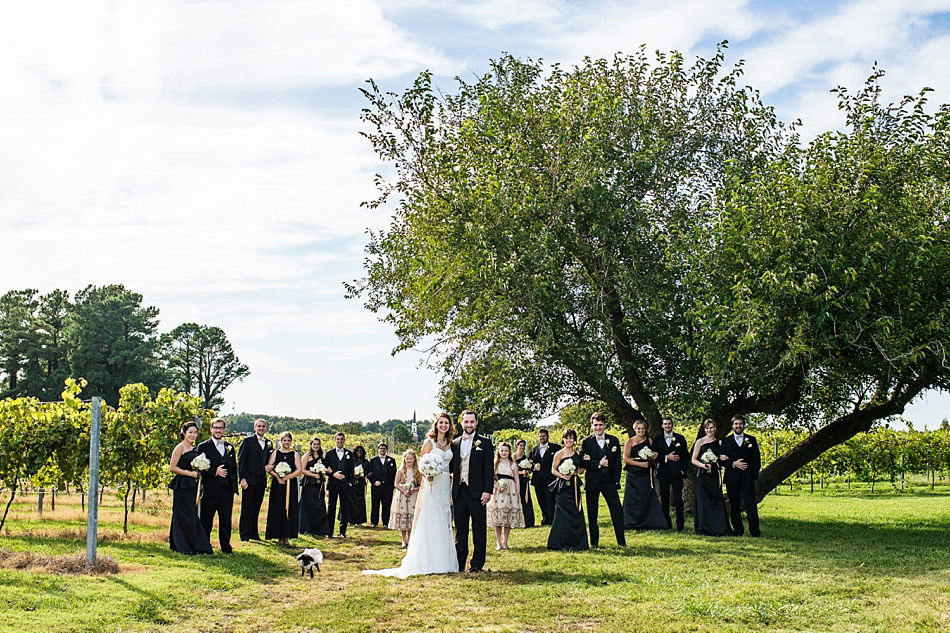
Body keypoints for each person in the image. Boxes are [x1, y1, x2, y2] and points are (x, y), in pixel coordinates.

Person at [364, 413, 458, 577]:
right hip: (431, 483)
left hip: (444, 483)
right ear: (436, 425)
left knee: (443, 517)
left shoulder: (450, 443)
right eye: (441, 422)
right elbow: (421, 464)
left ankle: (443, 559)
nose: (443, 425)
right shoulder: (429, 442)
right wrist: (428, 473)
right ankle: (427, 559)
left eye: (446, 423)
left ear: (450, 426)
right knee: (430, 517)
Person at [451, 409, 494, 572]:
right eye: (466, 421)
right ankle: (460, 563)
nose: (469, 425)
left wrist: (487, 490)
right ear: (461, 422)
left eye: (472, 422)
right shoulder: (454, 443)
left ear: (476, 423)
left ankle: (476, 564)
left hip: (477, 492)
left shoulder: (485, 443)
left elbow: (489, 469)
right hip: (459, 492)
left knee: (479, 530)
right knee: (460, 530)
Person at [580, 413, 626, 547]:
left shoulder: (613, 440)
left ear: (605, 425)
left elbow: (617, 462)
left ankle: (621, 542)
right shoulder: (586, 442)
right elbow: (583, 462)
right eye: (595, 425)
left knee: (617, 510)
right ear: (591, 426)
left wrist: (615, 480)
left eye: (600, 425)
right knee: (592, 513)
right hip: (592, 481)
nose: (598, 428)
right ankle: (594, 543)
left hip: (609, 481)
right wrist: (598, 463)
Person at [168, 421, 212, 555]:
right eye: (190, 432)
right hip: (182, 484)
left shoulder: (195, 450)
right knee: (182, 513)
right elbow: (172, 467)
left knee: (191, 514)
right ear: (184, 433)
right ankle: (181, 544)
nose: (193, 435)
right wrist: (189, 473)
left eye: (195, 432)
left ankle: (194, 544)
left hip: (193, 485)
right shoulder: (179, 448)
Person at [196, 417, 239, 553]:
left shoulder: (229, 447)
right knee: (206, 519)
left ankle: (226, 547)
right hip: (210, 489)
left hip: (227, 490)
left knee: (226, 520)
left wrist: (234, 486)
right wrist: (215, 471)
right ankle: (204, 546)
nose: (218, 430)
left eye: (220, 428)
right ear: (211, 429)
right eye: (216, 428)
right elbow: (200, 466)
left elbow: (233, 468)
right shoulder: (203, 446)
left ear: (223, 430)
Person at [621, 419, 669, 530]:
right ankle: (631, 522)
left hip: (646, 474)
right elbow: (625, 458)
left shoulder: (650, 441)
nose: (641, 431)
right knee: (632, 497)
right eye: (639, 429)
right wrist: (639, 464)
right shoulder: (630, 441)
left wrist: (654, 455)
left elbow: (654, 453)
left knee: (646, 496)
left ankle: (648, 521)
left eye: (643, 429)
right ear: (635, 429)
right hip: (633, 473)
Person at [719, 414, 762, 536]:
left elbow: (756, 459)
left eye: (740, 424)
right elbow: (721, 460)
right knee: (734, 505)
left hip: (747, 477)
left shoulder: (751, 440)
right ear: (732, 426)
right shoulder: (726, 441)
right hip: (732, 478)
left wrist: (753, 475)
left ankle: (754, 531)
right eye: (736, 424)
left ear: (743, 425)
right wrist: (733, 463)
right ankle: (738, 530)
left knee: (750, 504)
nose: (738, 426)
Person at [546, 429, 588, 551]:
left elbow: (580, 469)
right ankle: (559, 542)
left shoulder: (577, 454)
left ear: (574, 440)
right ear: (563, 439)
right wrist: (563, 475)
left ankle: (578, 543)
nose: (569, 440)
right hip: (562, 487)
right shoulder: (559, 454)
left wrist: (579, 469)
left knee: (576, 512)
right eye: (566, 438)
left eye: (571, 438)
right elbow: (553, 470)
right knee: (562, 514)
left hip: (574, 486)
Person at [691, 418, 730, 536]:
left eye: (711, 427)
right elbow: (693, 459)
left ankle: (718, 526)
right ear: (704, 429)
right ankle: (703, 527)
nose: (709, 430)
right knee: (703, 501)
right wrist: (703, 465)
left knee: (715, 500)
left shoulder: (720, 443)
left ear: (715, 428)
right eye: (707, 428)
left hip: (714, 475)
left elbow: (722, 458)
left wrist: (724, 458)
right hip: (702, 475)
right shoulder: (699, 442)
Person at [264, 431, 302, 545]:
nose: (286, 442)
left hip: (290, 484)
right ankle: (278, 535)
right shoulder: (275, 453)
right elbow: (269, 468)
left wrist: (287, 477)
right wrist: (278, 477)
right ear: (280, 441)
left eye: (288, 440)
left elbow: (299, 470)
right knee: (278, 508)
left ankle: (287, 536)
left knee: (289, 509)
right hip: (278, 484)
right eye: (284, 440)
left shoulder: (294, 454)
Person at [238, 418, 272, 541]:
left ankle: (254, 533)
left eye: (263, 426)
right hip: (248, 480)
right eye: (259, 426)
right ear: (254, 428)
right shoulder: (247, 441)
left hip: (261, 480)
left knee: (257, 507)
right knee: (246, 508)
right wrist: (242, 478)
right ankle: (244, 534)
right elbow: (241, 461)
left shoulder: (269, 443)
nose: (261, 428)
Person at [487, 442, 525, 550]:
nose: (504, 453)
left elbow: (517, 480)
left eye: (506, 451)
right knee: (498, 516)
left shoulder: (512, 465)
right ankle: (498, 542)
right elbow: (490, 478)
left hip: (510, 490)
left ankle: (505, 542)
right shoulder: (495, 464)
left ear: (509, 452)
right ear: (498, 452)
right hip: (498, 492)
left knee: (507, 516)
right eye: (502, 450)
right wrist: (496, 487)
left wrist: (517, 494)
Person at [654, 417, 689, 531]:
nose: (667, 426)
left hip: (676, 473)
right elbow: (654, 456)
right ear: (662, 426)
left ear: (672, 425)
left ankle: (680, 524)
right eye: (665, 424)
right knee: (664, 498)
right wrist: (666, 457)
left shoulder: (680, 438)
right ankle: (666, 523)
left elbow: (686, 457)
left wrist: (681, 470)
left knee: (678, 498)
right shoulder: (657, 439)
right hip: (663, 473)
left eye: (669, 424)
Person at [299, 437, 331, 537]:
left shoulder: (322, 456)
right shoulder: (307, 456)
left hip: (319, 485)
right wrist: (313, 474)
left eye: (317, 444)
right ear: (311, 445)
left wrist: (326, 471)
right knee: (307, 505)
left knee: (319, 504)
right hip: (309, 483)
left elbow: (326, 468)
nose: (316, 446)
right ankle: (306, 528)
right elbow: (301, 469)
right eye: (314, 444)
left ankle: (319, 529)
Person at [387, 449, 420, 548]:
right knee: (403, 516)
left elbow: (422, 484)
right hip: (402, 496)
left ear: (414, 459)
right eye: (407, 458)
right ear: (404, 459)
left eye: (411, 459)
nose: (409, 461)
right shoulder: (400, 470)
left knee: (411, 516)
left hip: (413, 496)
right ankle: (403, 539)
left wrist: (413, 490)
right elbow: (396, 484)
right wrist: (404, 491)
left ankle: (410, 538)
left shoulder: (417, 471)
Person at [324, 431, 354, 538]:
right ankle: (329, 532)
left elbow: (351, 469)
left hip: (345, 485)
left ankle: (342, 532)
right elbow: (325, 468)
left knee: (344, 508)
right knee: (331, 507)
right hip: (333, 484)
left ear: (344, 440)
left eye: (341, 439)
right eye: (338, 439)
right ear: (334, 440)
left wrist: (349, 481)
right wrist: (333, 474)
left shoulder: (349, 454)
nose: (339, 441)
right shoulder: (329, 453)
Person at [529, 429, 560, 526]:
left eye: (544, 436)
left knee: (551, 499)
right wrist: (534, 466)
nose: (542, 438)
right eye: (540, 436)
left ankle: (552, 519)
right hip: (538, 480)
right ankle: (545, 517)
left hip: (551, 479)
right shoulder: (533, 450)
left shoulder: (555, 448)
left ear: (547, 436)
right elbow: (528, 463)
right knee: (541, 499)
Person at [367, 442, 397, 527]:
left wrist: (392, 485)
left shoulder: (391, 460)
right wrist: (373, 481)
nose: (382, 450)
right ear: (378, 449)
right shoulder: (373, 460)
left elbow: (394, 473)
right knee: (375, 504)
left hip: (387, 487)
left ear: (386, 450)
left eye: (384, 449)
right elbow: (369, 474)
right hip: (376, 486)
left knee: (387, 505)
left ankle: (385, 522)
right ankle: (374, 522)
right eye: (381, 448)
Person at [512, 439, 535, 528]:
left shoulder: (525, 457)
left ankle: (529, 521)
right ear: (516, 446)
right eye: (520, 445)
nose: (522, 447)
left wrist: (528, 470)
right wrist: (522, 472)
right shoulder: (513, 457)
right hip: (516, 480)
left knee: (526, 499)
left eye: (523, 446)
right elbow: (512, 470)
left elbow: (529, 469)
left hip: (524, 481)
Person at [348, 445, 369, 526]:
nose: (359, 453)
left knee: (360, 502)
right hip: (352, 484)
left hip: (361, 484)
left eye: (361, 451)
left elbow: (369, 471)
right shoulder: (351, 461)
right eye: (357, 451)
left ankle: (359, 520)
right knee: (351, 502)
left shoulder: (365, 462)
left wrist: (363, 475)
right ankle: (351, 521)